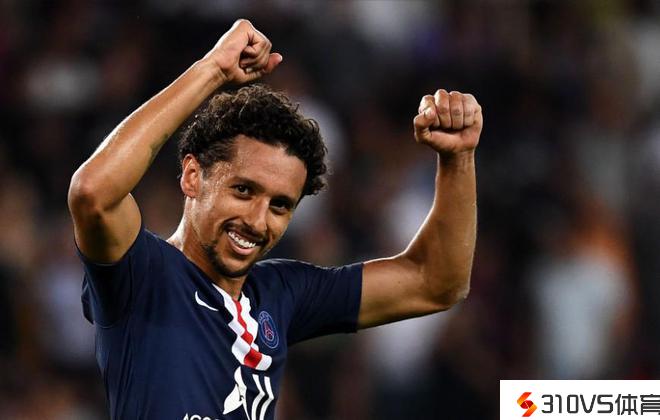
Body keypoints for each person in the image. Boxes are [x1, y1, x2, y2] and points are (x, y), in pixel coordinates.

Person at [68, 19, 482, 420]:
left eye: (280, 205)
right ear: (192, 176)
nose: (257, 220)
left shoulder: (281, 293)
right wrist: (212, 70)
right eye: (243, 190)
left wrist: (458, 158)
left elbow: (435, 282)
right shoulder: (144, 273)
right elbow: (92, 192)